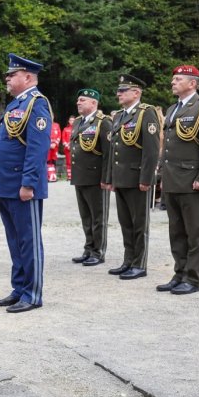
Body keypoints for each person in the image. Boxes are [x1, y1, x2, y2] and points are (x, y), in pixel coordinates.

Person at [0, 54, 52, 313]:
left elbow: (37, 148)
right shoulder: (17, 104)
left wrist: (29, 183)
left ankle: (32, 294)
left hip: (23, 186)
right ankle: (19, 288)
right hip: (7, 184)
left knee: (28, 240)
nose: (7, 78)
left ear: (27, 77)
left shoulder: (36, 104)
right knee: (15, 240)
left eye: (12, 74)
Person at [157, 65, 199, 295]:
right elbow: (168, 146)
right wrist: (162, 176)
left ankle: (192, 278)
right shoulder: (173, 108)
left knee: (194, 232)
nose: (173, 82)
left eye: (178, 79)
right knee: (176, 231)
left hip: (192, 179)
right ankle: (179, 273)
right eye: (173, 79)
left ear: (192, 83)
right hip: (173, 178)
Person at [105, 75, 160, 280]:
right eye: (118, 90)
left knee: (139, 224)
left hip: (137, 177)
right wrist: (111, 178)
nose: (118, 94)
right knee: (126, 223)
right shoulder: (119, 115)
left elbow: (151, 150)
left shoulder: (146, 112)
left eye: (123, 90)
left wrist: (146, 178)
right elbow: (114, 149)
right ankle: (128, 260)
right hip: (122, 177)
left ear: (136, 93)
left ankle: (139, 264)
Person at [69, 89, 112, 266]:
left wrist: (106, 178)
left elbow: (109, 153)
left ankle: (98, 251)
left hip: (96, 177)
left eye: (82, 100)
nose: (78, 103)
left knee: (98, 217)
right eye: (78, 100)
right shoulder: (78, 122)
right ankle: (88, 248)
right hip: (80, 175)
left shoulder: (103, 122)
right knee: (86, 216)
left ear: (94, 103)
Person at [61, 116, 74, 180]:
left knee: (74, 162)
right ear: (69, 121)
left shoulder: (77, 128)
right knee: (68, 162)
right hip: (67, 149)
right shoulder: (65, 129)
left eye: (73, 120)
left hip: (74, 148)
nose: (72, 121)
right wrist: (67, 146)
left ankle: (74, 176)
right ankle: (69, 176)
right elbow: (63, 139)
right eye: (71, 120)